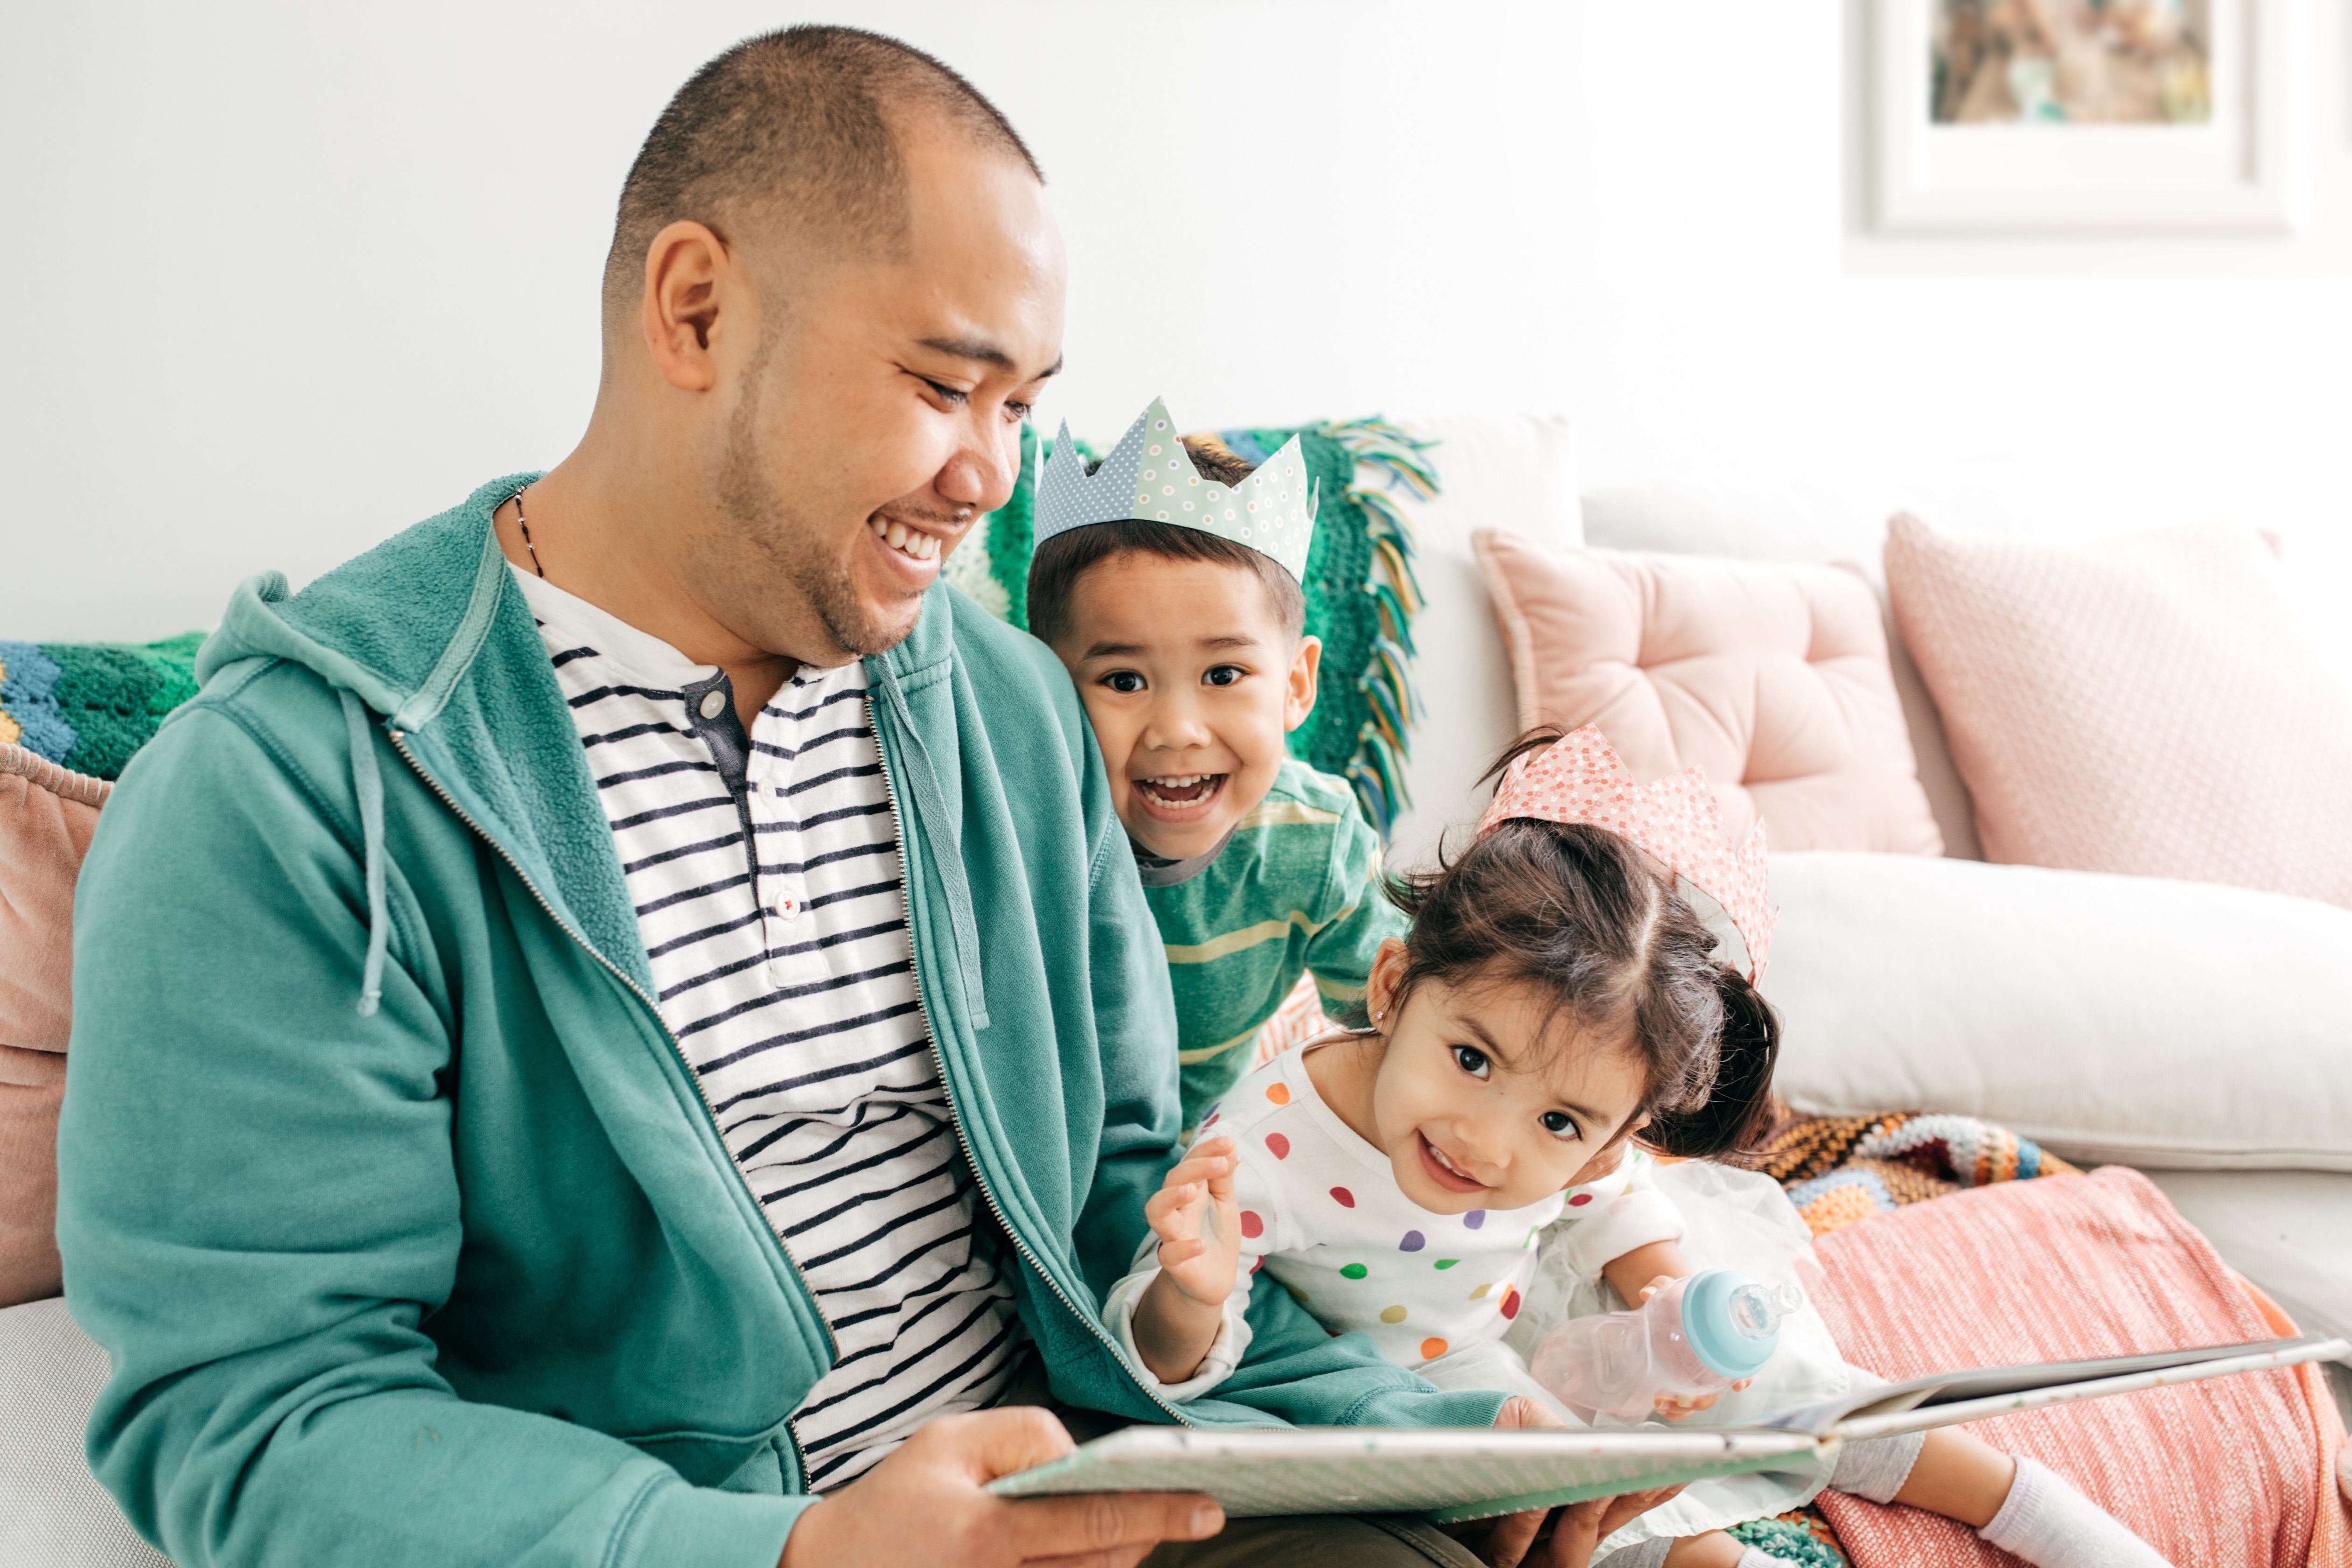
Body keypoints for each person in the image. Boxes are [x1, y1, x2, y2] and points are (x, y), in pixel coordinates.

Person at [56, 27, 1661, 1568]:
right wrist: (802, 1552)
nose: (991, 475)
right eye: (945, 384)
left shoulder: (1012, 713)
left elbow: (1124, 1204)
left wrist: (1446, 1436)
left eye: (1022, 405)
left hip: (1096, 1496)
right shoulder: (282, 801)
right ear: (695, 312)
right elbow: (258, 1415)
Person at [1112, 728, 2181, 1568]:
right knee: (1607, 1518)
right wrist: (1193, 1296)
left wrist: (1669, 1300)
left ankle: (2036, 1512)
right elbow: (1165, 1365)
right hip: (1420, 1387)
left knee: (1775, 1376)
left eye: (1562, 1123)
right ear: (1392, 989)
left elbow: (1611, 1204)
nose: (1486, 1144)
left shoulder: (1578, 1143)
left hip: (1547, 1317)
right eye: (1472, 1059)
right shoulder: (1271, 1146)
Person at [1026, 402, 1406, 1132]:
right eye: (1124, 681)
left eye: (1224, 674)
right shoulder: (1025, 832)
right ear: (1047, 687)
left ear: (1296, 686)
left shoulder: (1316, 839)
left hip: (1212, 1152)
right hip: (1044, 1148)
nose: (1176, 731)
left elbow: (1401, 1025)